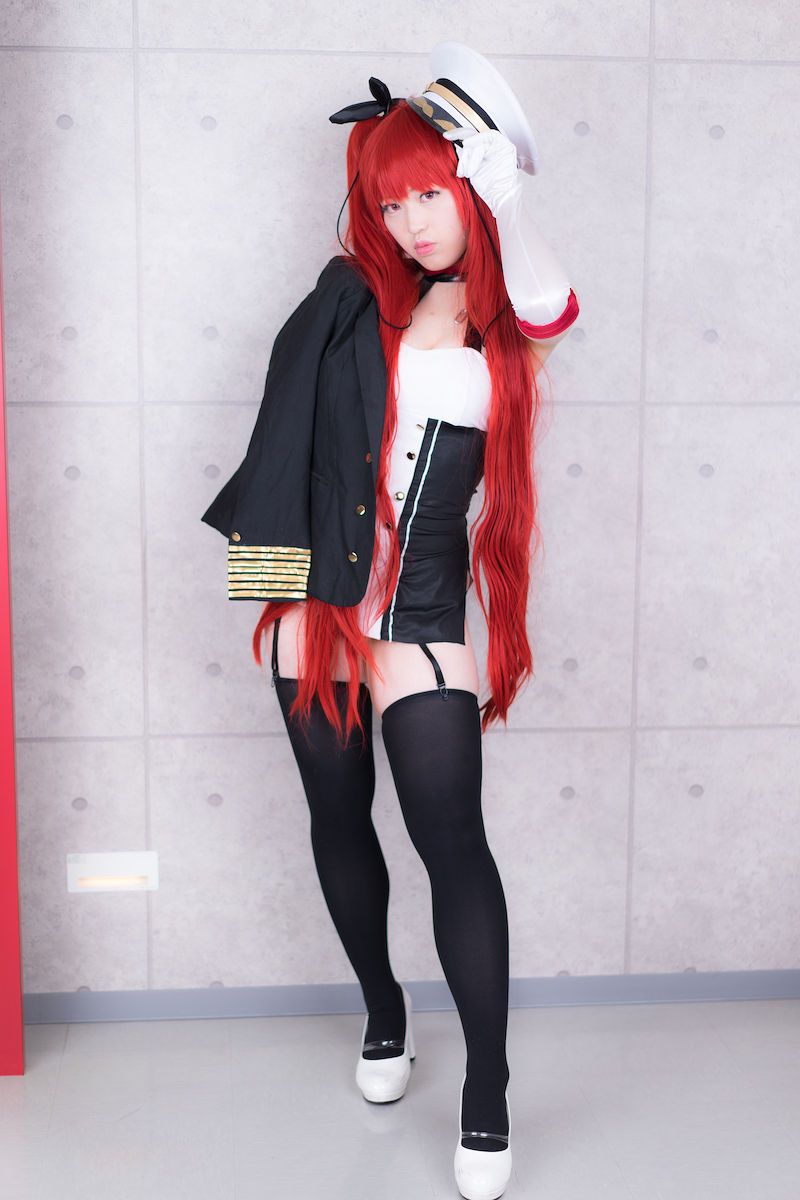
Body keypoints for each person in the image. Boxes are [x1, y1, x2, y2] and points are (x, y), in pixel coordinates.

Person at [203, 44, 578, 1200]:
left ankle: (486, 1087)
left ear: (472, 184)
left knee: (450, 839)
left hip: (416, 611)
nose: (410, 222)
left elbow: (551, 306)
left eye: (430, 193)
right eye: (390, 199)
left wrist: (511, 200)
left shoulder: (501, 321)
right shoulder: (350, 297)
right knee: (335, 814)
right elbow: (286, 428)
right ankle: (381, 1009)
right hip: (319, 603)